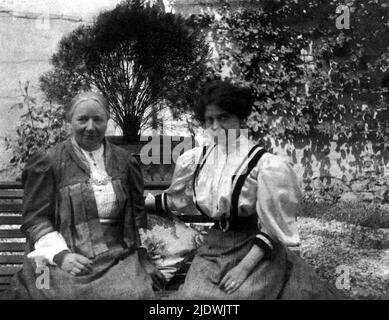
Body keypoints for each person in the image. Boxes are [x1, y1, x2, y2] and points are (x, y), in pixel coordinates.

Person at [145, 80, 343, 300]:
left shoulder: (264, 164)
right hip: (214, 246)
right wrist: (144, 202)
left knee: (239, 297)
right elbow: (178, 200)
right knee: (194, 297)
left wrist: (244, 268)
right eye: (209, 120)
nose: (215, 127)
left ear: (240, 118)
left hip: (255, 248)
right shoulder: (197, 159)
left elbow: (274, 226)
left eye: (223, 117)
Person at [2, 91, 164, 300]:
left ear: (107, 120)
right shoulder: (49, 161)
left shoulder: (124, 162)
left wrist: (142, 258)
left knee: (134, 293)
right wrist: (61, 256)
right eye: (82, 119)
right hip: (60, 256)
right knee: (49, 291)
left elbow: (136, 217)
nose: (90, 127)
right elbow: (35, 219)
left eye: (97, 119)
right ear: (70, 120)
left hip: (115, 257)